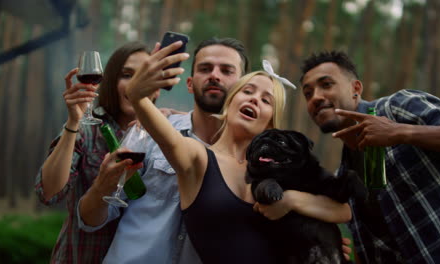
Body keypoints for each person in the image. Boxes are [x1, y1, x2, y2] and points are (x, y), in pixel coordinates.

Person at [79, 38, 351, 263]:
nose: (255, 99)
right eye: (248, 92)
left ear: (271, 121)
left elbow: (342, 210)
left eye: (266, 99)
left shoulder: (280, 172)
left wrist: (296, 208)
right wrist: (139, 96)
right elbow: (168, 139)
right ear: (231, 100)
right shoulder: (191, 152)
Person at [300, 50, 440, 263]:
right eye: (308, 93)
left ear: (355, 89)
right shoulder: (343, 177)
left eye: (326, 84)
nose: (316, 97)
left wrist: (400, 132)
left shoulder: (397, 107)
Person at [35, 41, 161, 263]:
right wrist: (73, 121)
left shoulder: (165, 137)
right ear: (110, 81)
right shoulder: (87, 129)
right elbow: (48, 193)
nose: (134, 85)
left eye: (143, 76)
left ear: (157, 87)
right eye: (127, 75)